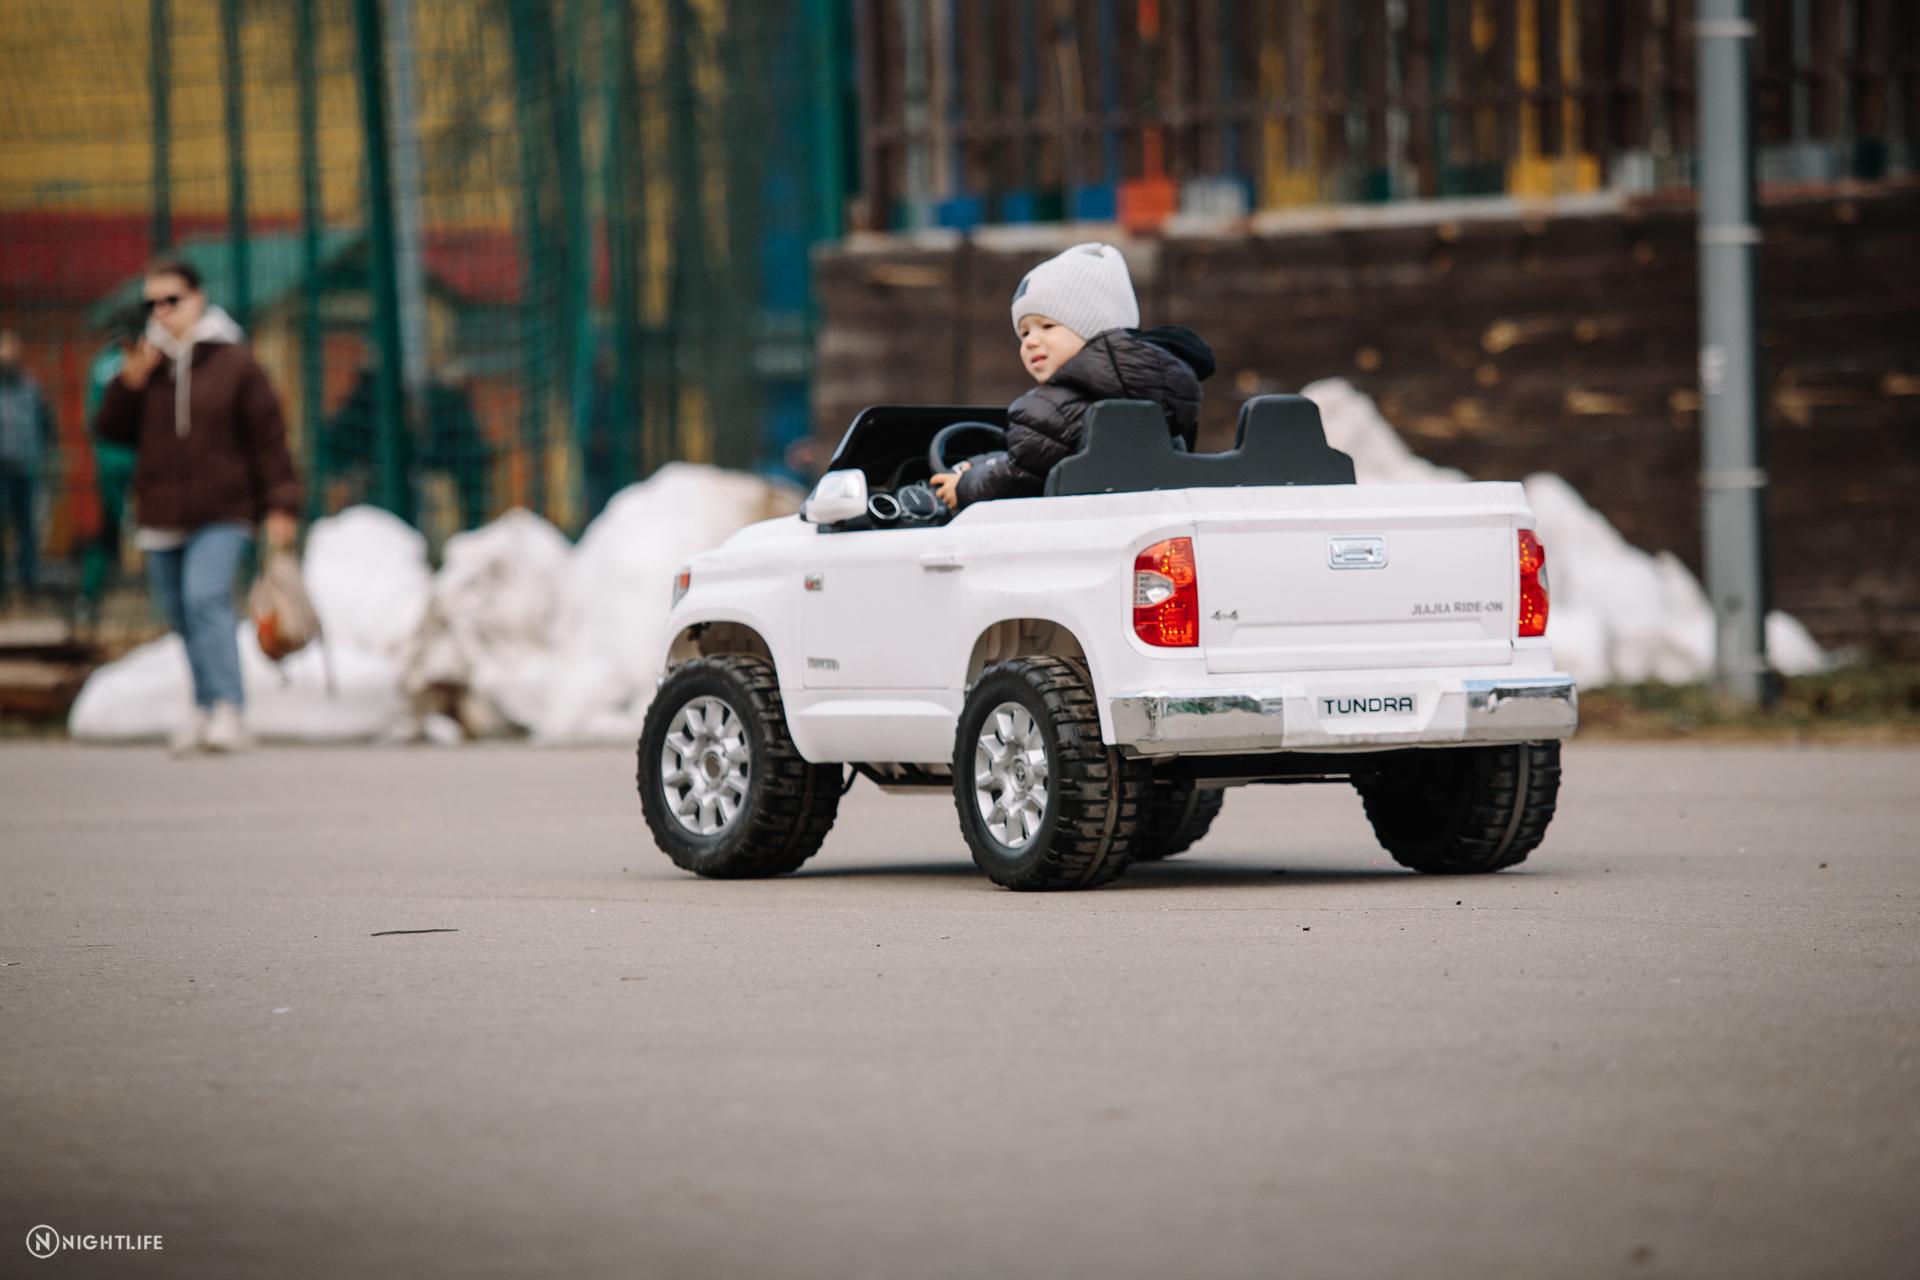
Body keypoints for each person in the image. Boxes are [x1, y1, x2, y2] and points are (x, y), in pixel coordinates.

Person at [92, 258, 301, 754]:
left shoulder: (234, 363)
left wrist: (281, 504)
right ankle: (204, 706)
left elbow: (269, 439)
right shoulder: (146, 366)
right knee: (182, 614)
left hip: (224, 508)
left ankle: (229, 706)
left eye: (172, 301)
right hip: (161, 511)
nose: (161, 313)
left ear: (198, 299)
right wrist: (128, 384)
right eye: (152, 304)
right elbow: (110, 432)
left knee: (205, 598)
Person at [931, 242, 1214, 512]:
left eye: (1047, 326)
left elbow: (1017, 478)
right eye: (1024, 332)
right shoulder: (1163, 396)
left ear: (1095, 327)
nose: (1030, 341)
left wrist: (965, 486)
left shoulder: (1050, 407)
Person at [77, 305, 148, 627]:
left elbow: (91, 416)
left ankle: (89, 598)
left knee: (108, 528)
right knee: (153, 527)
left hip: (107, 458)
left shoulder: (100, 363)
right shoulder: (138, 361)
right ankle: (155, 604)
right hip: (138, 458)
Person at [0, 327, 58, 608]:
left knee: (28, 529)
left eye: (10, 347)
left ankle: (29, 585)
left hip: (26, 468)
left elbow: (46, 423)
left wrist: (42, 452)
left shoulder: (30, 386)